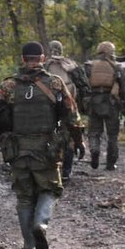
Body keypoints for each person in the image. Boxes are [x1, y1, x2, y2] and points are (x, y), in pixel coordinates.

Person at [0, 41, 82, 249]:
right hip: (46, 149)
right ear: (42, 58)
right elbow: (73, 117)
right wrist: (78, 141)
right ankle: (40, 225)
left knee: (24, 197)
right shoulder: (55, 83)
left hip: (17, 149)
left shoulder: (9, 85)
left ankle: (28, 245)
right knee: (50, 189)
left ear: (23, 59)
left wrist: (5, 122)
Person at [83, 41, 125, 170]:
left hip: (93, 102)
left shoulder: (89, 66)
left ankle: (94, 150)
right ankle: (111, 163)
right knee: (112, 135)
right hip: (112, 103)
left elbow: (83, 87)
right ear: (111, 52)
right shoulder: (117, 67)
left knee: (94, 132)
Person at [45, 40, 89, 181]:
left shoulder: (45, 65)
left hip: (48, 108)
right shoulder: (72, 65)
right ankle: (66, 171)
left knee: (48, 136)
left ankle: (51, 168)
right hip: (68, 106)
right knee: (69, 137)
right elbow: (84, 86)